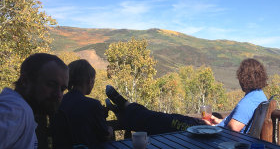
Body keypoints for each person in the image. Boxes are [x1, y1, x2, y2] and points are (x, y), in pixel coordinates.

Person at [105, 58, 268, 135]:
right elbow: (233, 123)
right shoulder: (258, 96)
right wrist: (217, 121)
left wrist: (211, 127)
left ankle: (124, 107)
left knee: (160, 120)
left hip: (208, 136)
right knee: (165, 117)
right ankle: (125, 109)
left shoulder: (249, 100)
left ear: (244, 78)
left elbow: (233, 128)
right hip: (208, 131)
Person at [52, 59, 113, 149]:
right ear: (89, 80)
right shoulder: (93, 105)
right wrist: (110, 129)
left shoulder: (58, 102)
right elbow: (105, 136)